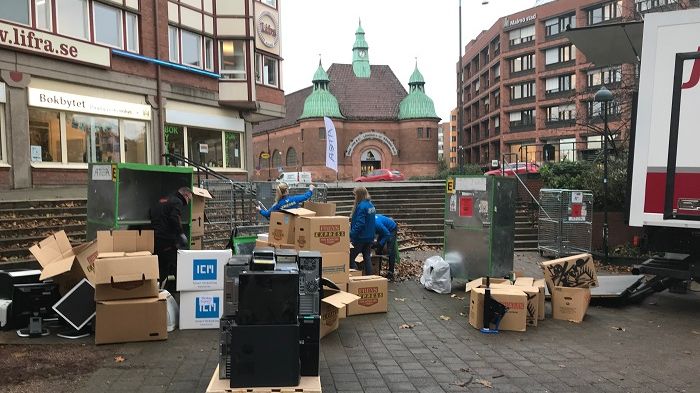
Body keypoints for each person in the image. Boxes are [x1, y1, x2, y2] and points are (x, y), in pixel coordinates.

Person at [150, 186, 193, 285]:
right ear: (185, 195)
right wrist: (181, 233)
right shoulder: (177, 202)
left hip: (156, 239)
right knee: (178, 265)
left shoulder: (163, 200)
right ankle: (182, 289)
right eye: (189, 199)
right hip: (167, 240)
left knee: (161, 266)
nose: (188, 202)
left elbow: (152, 213)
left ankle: (156, 288)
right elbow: (175, 218)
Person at [349, 186, 376, 275]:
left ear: (359, 195)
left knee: (350, 258)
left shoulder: (361, 206)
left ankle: (355, 276)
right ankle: (369, 277)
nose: (355, 197)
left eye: (355, 195)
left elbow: (360, 223)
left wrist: (351, 234)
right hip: (369, 237)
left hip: (360, 238)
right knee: (367, 257)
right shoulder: (370, 205)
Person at [374, 214, 398, 281]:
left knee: (390, 250)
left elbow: (387, 234)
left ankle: (391, 273)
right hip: (383, 229)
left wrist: (380, 244)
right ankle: (377, 269)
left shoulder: (377, 224)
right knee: (378, 250)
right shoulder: (370, 223)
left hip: (391, 229)